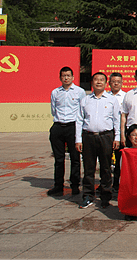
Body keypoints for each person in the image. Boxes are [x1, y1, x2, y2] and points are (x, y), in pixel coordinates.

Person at [76, 72, 121, 209]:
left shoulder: (111, 100)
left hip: (106, 136)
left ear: (106, 83)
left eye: (102, 80)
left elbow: (116, 120)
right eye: (96, 80)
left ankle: (105, 196)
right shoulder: (85, 100)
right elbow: (79, 120)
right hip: (88, 136)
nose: (99, 82)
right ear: (92, 82)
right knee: (89, 168)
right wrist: (78, 139)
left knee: (106, 168)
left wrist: (117, 137)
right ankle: (88, 196)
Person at [48, 66, 85, 196]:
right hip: (58, 126)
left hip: (72, 127)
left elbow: (82, 111)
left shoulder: (79, 92)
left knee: (75, 158)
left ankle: (75, 185)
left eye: (68, 75)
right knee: (59, 159)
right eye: (63, 76)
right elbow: (53, 109)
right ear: (60, 78)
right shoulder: (55, 92)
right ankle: (58, 185)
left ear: (73, 77)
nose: (66, 78)